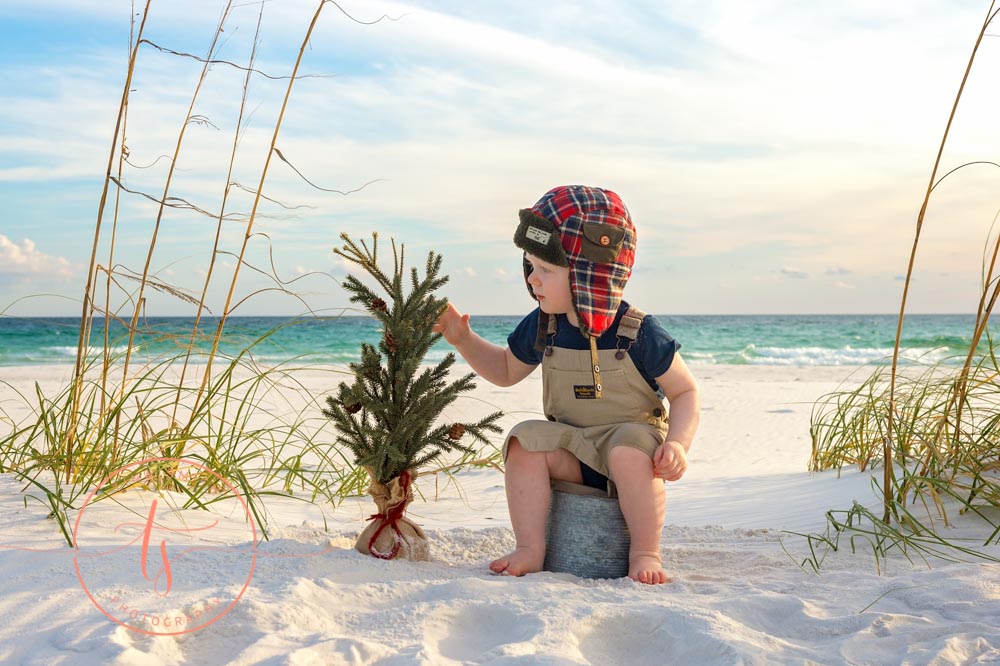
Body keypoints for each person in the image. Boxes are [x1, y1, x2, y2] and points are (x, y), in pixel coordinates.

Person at [433, 185, 700, 585]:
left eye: (546, 270)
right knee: (524, 441)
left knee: (627, 450)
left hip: (634, 445)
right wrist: (463, 340)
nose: (533, 280)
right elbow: (506, 371)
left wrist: (677, 444)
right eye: (529, 266)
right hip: (577, 449)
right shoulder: (545, 322)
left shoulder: (637, 330)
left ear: (590, 275)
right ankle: (530, 548)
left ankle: (645, 551)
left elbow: (685, 391)